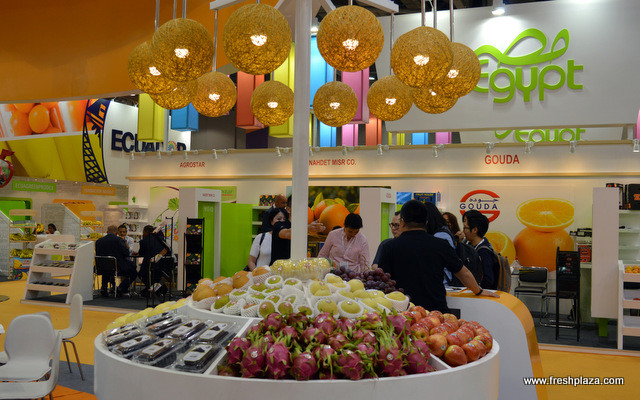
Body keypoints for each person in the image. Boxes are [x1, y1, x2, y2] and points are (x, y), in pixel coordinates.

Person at [378, 200, 498, 312]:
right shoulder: (441, 245)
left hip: (403, 313)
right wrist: (479, 291)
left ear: (402, 222)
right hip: (435, 312)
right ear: (426, 222)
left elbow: (382, 280)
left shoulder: (389, 247)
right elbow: (463, 273)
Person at [95, 225, 135, 297]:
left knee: (107, 268)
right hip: (118, 267)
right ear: (116, 232)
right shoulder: (119, 240)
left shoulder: (99, 241)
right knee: (133, 271)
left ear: (107, 232)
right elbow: (126, 253)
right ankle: (121, 288)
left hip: (101, 267)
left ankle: (104, 288)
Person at [463, 210, 497, 290]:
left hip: (482, 294)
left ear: (475, 230)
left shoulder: (483, 251)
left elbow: (488, 280)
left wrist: (476, 289)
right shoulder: (471, 246)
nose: (463, 231)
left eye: (465, 228)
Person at [138, 225, 170, 297]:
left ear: (146, 231)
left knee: (141, 274)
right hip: (161, 265)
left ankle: (154, 289)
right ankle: (157, 289)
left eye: (143, 232)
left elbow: (141, 254)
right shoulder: (161, 240)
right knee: (156, 276)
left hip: (149, 265)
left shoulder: (144, 241)